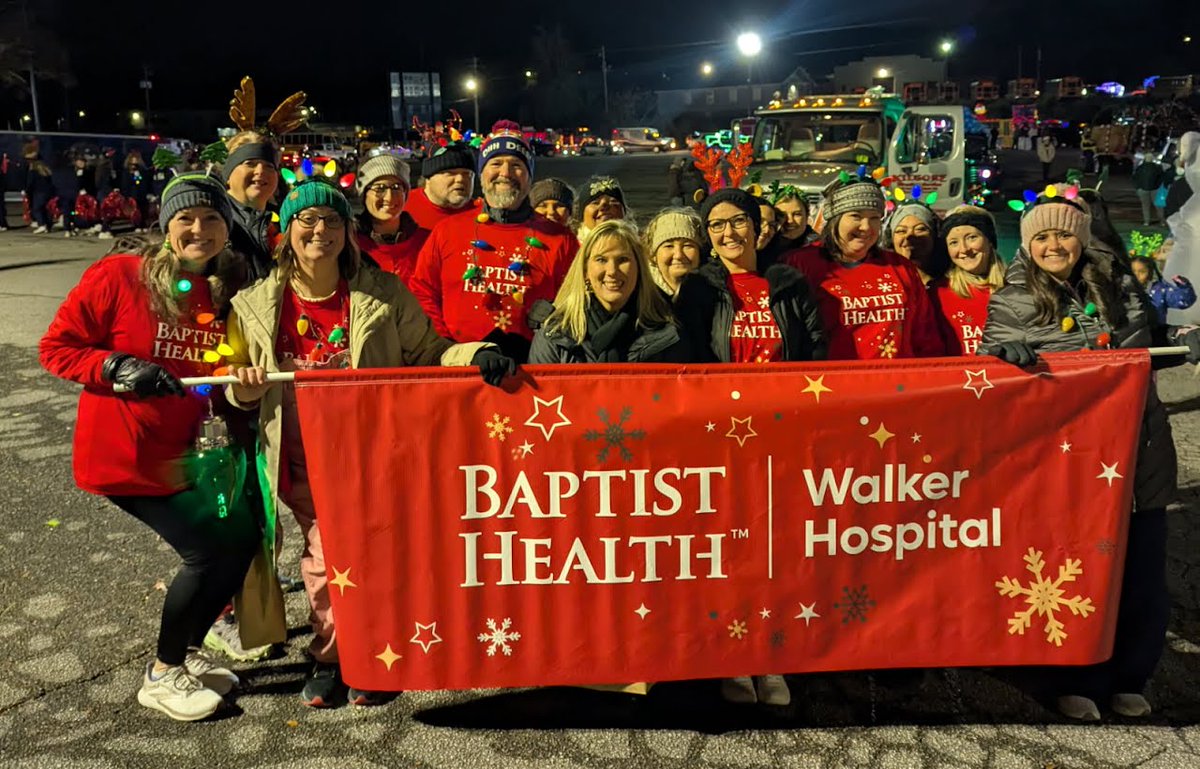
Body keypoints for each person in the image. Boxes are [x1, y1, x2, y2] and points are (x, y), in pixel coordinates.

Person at [224, 179, 513, 708]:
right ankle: (334, 656)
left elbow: (427, 351)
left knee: (377, 551)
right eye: (306, 221)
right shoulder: (253, 304)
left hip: (374, 449)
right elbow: (237, 387)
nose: (320, 231)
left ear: (348, 232)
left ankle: (377, 652)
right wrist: (243, 391)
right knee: (325, 554)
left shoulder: (381, 294)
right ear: (287, 233)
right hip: (300, 452)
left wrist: (475, 353)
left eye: (332, 221)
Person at [39, 173, 257, 721]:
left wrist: (240, 384)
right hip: (127, 455)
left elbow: (219, 362)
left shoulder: (226, 285)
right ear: (167, 226)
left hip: (193, 452)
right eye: (186, 218)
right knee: (206, 553)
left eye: (212, 219)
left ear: (227, 229)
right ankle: (161, 674)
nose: (199, 229)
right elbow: (57, 347)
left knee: (242, 543)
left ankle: (184, 654)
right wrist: (115, 366)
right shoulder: (120, 275)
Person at [979, 195, 1200, 721]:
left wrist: (1185, 338)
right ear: (1028, 246)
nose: (1053, 246)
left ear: (1081, 238)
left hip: (1136, 451)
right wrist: (1003, 358)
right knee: (1073, 572)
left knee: (1141, 576)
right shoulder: (1011, 300)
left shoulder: (1118, 287)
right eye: (1041, 238)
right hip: (1067, 461)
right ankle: (1073, 677)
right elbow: (990, 367)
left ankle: (1130, 675)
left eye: (1063, 235)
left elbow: (1152, 337)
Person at [674, 187, 824, 705]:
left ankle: (773, 655)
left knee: (777, 552)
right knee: (729, 550)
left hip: (783, 436)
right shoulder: (697, 289)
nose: (728, 233)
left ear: (757, 227)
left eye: (736, 222)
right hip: (723, 440)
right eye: (715, 226)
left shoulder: (788, 283)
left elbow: (816, 352)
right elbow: (685, 362)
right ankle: (733, 655)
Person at [410, 120, 577, 363]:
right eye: (496, 163)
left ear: (530, 176)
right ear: (482, 174)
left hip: (532, 369)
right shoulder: (448, 231)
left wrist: (557, 316)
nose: (505, 173)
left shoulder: (560, 239)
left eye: (516, 165)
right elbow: (423, 292)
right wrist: (450, 349)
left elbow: (579, 299)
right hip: (459, 367)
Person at [786, 178, 944, 359]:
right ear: (835, 219)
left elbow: (925, 334)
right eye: (856, 216)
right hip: (829, 383)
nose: (866, 227)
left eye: (875, 218)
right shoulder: (801, 264)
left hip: (897, 383)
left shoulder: (900, 267)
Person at [528, 219, 685, 363]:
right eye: (601, 260)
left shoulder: (667, 334)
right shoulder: (554, 334)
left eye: (623, 260)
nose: (612, 271)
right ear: (585, 270)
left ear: (639, 268)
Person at [931, 206, 1005, 354]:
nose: (964, 249)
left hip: (1010, 376)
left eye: (972, 237)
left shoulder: (1019, 288)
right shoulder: (937, 294)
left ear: (989, 241)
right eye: (953, 242)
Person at [353, 152, 425, 286]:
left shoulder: (425, 242)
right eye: (380, 188)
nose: (389, 197)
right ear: (364, 194)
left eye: (396, 187)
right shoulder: (349, 242)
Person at [406, 142, 480, 231]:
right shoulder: (400, 206)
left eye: (467, 174)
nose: (460, 179)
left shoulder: (482, 214)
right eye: (450, 173)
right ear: (428, 178)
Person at [882, 198, 948, 285]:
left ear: (934, 235)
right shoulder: (883, 283)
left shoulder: (954, 283)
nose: (909, 236)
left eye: (920, 229)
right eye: (901, 231)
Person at [643, 207, 706, 296]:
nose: (679, 255)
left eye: (687, 246)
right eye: (669, 246)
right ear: (653, 255)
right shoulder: (639, 293)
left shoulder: (717, 294)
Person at [1131, 255, 1196, 323]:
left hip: (1154, 331)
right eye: (1132, 271)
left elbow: (1184, 301)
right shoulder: (1121, 291)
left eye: (1142, 272)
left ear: (1150, 273)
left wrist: (1184, 287)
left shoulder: (1158, 290)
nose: (1136, 275)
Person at [576, 175, 628, 242]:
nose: (603, 206)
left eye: (613, 201)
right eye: (595, 202)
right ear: (582, 215)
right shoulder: (570, 248)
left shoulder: (639, 247)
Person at [23, 143, 55, 234]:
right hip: (47, 192)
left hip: (39, 192)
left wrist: (26, 190)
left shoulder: (33, 170)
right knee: (46, 209)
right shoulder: (45, 169)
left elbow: (30, 183)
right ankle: (48, 225)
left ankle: (41, 225)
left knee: (37, 209)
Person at [1132, 150, 1166, 227]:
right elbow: (1161, 178)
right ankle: (1162, 221)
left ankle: (1146, 221)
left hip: (1143, 189)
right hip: (1155, 189)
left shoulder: (1140, 168)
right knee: (1159, 206)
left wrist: (1138, 188)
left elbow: (1135, 178)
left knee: (1145, 206)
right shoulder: (1157, 168)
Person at [121, 149, 151, 233]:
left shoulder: (142, 170)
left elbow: (143, 181)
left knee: (143, 210)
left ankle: (143, 224)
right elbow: (125, 183)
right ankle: (136, 225)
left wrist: (138, 178)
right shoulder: (126, 171)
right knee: (135, 211)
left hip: (141, 192)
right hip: (132, 193)